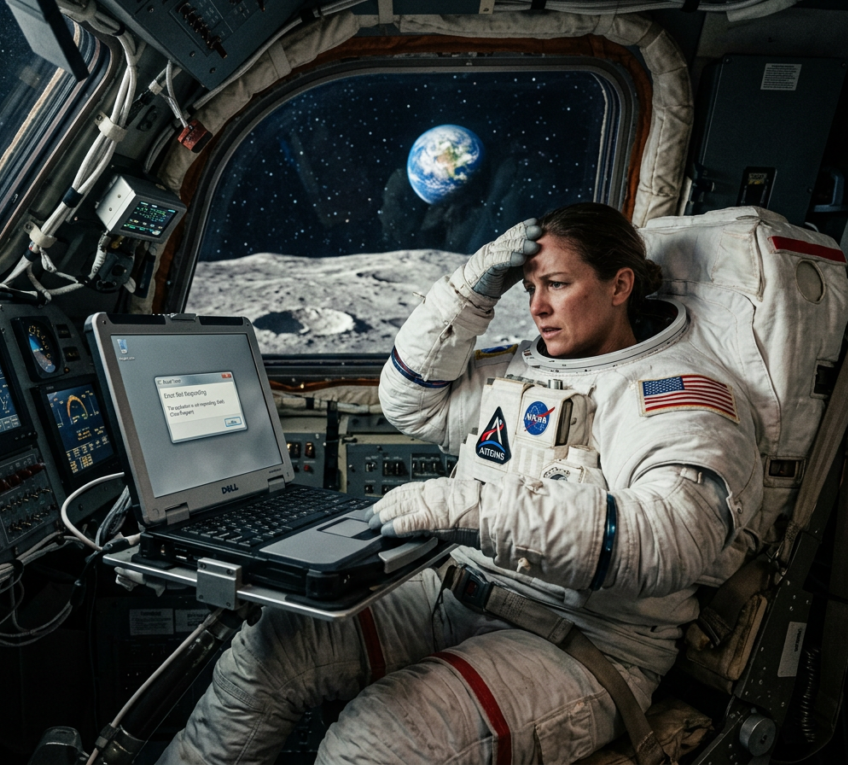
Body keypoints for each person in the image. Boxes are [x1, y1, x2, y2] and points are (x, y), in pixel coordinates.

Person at [156, 203, 763, 764]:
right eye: (530, 288)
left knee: (370, 746)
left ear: (620, 285)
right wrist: (469, 289)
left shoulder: (675, 393)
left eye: (557, 284)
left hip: (579, 641)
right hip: (456, 590)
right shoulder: (523, 366)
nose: (537, 307)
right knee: (268, 653)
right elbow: (409, 401)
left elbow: (671, 539)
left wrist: (471, 507)